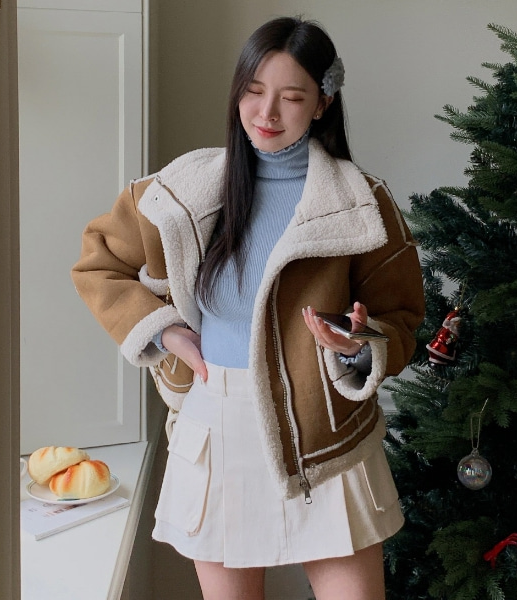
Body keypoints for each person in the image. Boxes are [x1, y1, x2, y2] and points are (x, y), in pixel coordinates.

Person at [72, 16, 424, 600]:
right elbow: (98, 264)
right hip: (217, 428)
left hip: (322, 439)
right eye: (254, 91)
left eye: (292, 97)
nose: (267, 113)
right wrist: (166, 332)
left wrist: (358, 345)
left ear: (322, 103)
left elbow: (402, 317)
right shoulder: (181, 190)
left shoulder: (361, 202)